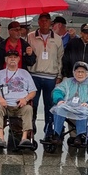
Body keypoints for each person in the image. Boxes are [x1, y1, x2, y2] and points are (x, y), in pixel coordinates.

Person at [0, 21, 36, 131]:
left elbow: (31, 62)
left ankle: (22, 128)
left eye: (20, 29)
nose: (19, 32)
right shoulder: (1, 45)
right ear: (10, 31)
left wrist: (30, 54)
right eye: (16, 30)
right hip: (2, 78)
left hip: (19, 77)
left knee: (26, 104)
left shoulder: (25, 45)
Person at [0, 49, 37, 147]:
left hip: (21, 105)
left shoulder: (25, 73)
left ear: (19, 59)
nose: (13, 59)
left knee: (29, 108)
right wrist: (0, 98)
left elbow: (33, 91)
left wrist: (25, 99)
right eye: (10, 57)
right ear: (6, 60)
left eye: (15, 57)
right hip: (5, 106)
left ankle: (24, 138)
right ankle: (1, 138)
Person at [27, 12, 64, 140]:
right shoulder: (30, 37)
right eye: (41, 21)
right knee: (33, 104)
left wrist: (59, 75)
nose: (44, 23)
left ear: (50, 23)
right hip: (34, 76)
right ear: (38, 22)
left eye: (46, 21)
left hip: (51, 77)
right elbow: (26, 57)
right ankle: (30, 127)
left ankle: (49, 129)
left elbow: (60, 58)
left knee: (50, 105)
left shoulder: (57, 39)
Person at [50, 62, 88, 146]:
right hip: (68, 105)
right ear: (74, 72)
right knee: (59, 108)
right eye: (78, 71)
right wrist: (59, 100)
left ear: (87, 73)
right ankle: (57, 134)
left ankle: (80, 136)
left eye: (82, 72)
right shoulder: (67, 82)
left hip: (84, 105)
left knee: (83, 110)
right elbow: (58, 90)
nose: (80, 74)